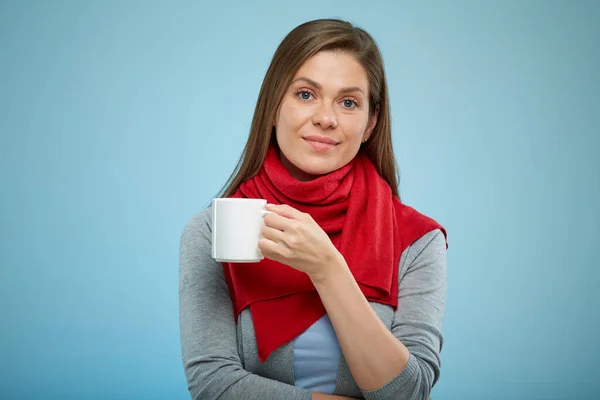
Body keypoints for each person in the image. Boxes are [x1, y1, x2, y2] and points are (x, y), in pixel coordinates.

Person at [179, 18, 447, 400]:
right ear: (273, 106)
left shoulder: (417, 240)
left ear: (371, 123)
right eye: (306, 94)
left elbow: (409, 391)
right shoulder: (213, 231)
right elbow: (214, 385)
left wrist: (327, 269)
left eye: (349, 102)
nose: (325, 117)